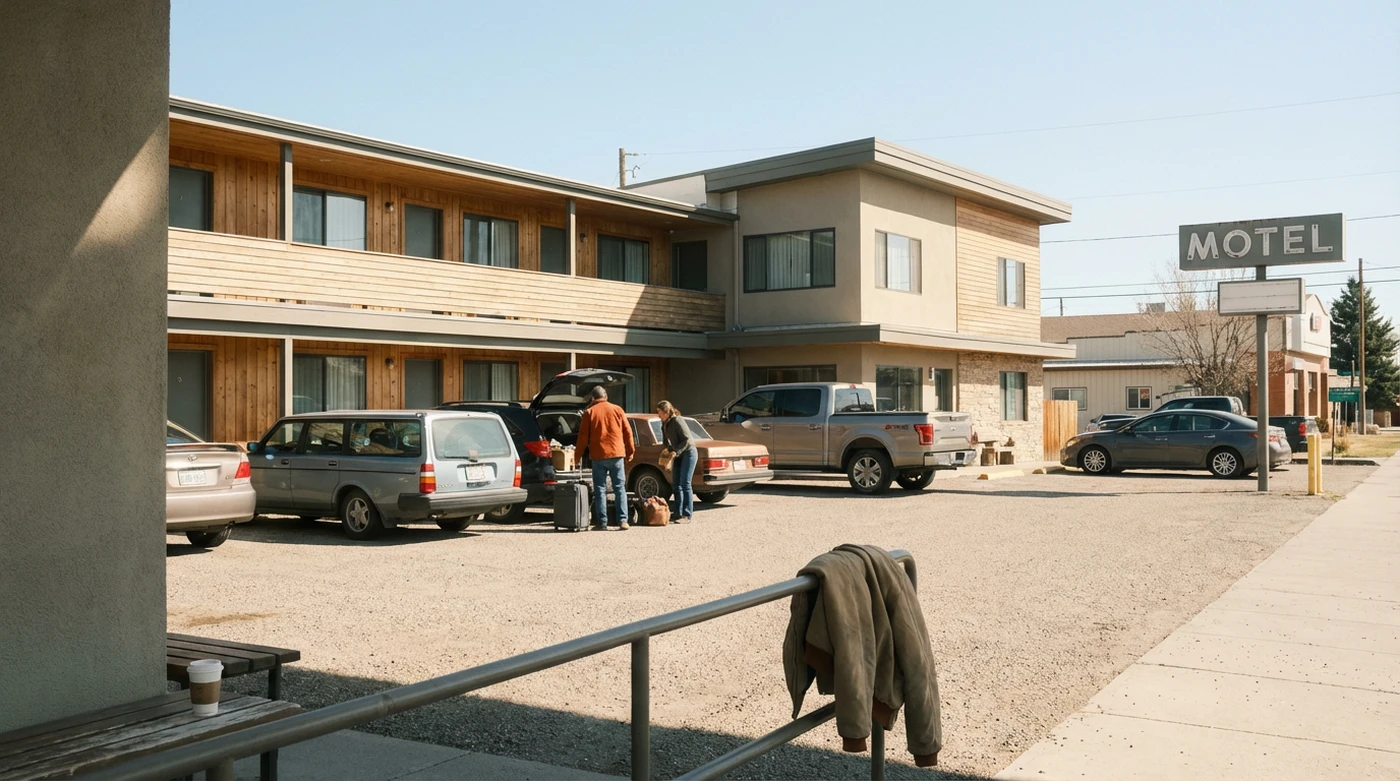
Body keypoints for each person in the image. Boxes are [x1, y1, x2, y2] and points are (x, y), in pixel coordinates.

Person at [576, 386, 635, 531]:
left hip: (598, 455)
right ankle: (623, 521)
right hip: (617, 454)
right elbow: (628, 432)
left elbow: (582, 438)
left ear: (593, 398)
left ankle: (602, 522)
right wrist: (630, 451)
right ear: (606, 396)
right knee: (619, 488)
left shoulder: (589, 412)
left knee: (600, 489)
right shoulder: (618, 410)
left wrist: (577, 456)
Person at [656, 400, 697, 523]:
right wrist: (667, 451)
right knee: (676, 484)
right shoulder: (664, 423)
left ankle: (687, 514)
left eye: (660, 412)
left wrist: (676, 452)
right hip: (676, 453)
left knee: (685, 483)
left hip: (688, 453)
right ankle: (678, 512)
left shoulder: (677, 420)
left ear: (667, 412)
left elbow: (687, 440)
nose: (658, 415)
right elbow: (666, 441)